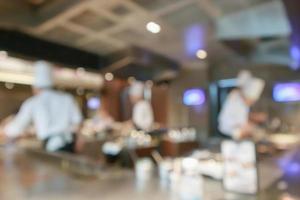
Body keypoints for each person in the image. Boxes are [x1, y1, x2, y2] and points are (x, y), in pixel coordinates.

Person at [0, 61, 82, 152]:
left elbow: (17, 127)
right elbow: (77, 122)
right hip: (69, 143)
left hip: (51, 146)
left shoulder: (33, 102)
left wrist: (4, 130)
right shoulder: (67, 98)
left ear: (35, 87)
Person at [218, 71, 266, 140]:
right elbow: (227, 123)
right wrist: (244, 130)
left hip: (235, 136)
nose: (251, 103)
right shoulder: (235, 99)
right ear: (247, 97)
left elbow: (242, 119)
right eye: (251, 100)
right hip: (226, 136)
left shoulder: (244, 104)